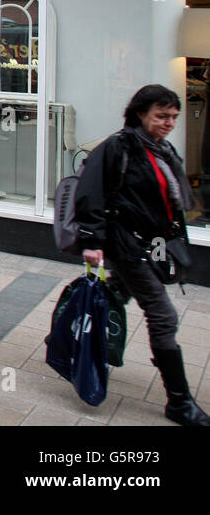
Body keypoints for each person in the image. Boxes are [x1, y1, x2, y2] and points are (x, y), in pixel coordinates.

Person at [76, 84, 209, 426]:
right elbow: (92, 194)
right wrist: (92, 242)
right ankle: (179, 402)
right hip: (126, 245)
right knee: (162, 315)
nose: (169, 123)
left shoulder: (161, 150)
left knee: (113, 293)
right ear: (140, 113)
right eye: (161, 116)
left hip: (152, 245)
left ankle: (70, 336)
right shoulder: (118, 147)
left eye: (174, 117)